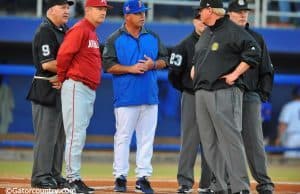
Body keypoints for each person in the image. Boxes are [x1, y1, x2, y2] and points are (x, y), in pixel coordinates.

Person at [191, 0, 261, 193]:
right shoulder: (207, 32)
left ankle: (240, 188)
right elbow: (198, 58)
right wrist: (195, 71)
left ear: (210, 10)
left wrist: (235, 74)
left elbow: (254, 52)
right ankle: (220, 187)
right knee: (209, 143)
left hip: (223, 91)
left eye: (201, 10)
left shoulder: (233, 30)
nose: (199, 14)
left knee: (230, 140)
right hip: (202, 93)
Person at [102, 0, 168, 193]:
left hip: (150, 97)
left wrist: (153, 65)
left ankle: (143, 177)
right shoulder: (115, 38)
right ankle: (120, 177)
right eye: (138, 13)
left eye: (144, 12)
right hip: (126, 98)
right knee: (122, 138)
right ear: (127, 16)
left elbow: (166, 59)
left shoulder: (153, 36)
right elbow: (108, 65)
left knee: (146, 139)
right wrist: (130, 68)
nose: (142, 16)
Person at [56, 0, 112, 193]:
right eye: (99, 8)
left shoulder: (92, 33)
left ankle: (75, 177)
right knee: (75, 135)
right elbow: (63, 55)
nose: (103, 12)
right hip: (76, 86)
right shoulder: (80, 29)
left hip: (87, 89)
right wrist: (62, 78)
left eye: (105, 9)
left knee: (79, 134)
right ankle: (72, 179)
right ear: (87, 10)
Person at [227, 0, 275, 193]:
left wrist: (262, 94)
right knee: (228, 140)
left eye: (245, 11)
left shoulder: (257, 37)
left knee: (254, 141)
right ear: (228, 13)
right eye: (238, 11)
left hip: (249, 95)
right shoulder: (220, 36)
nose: (243, 14)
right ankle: (229, 183)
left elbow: (267, 69)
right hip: (227, 95)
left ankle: (264, 183)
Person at [26, 0, 73, 189]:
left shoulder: (64, 30)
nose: (67, 10)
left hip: (60, 88)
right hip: (45, 89)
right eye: (62, 7)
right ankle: (40, 176)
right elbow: (48, 63)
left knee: (59, 137)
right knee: (46, 136)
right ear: (51, 9)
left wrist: (68, 72)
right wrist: (73, 70)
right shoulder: (45, 30)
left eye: (68, 7)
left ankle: (54, 173)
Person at [168, 11, 213, 194]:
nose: (204, 24)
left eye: (206, 21)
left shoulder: (216, 43)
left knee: (211, 141)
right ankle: (185, 182)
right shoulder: (184, 45)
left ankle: (207, 184)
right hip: (192, 96)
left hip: (212, 96)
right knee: (190, 141)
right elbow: (173, 76)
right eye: (200, 21)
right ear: (194, 21)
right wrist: (187, 89)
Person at [276, 86, 300, 158]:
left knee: (290, 162)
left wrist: (279, 138)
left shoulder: (289, 106)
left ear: (293, 95)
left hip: (292, 137)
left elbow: (283, 125)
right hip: (292, 136)